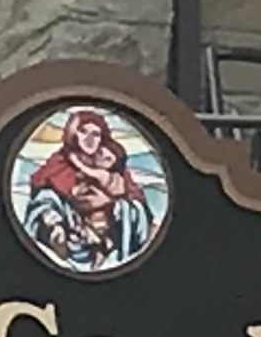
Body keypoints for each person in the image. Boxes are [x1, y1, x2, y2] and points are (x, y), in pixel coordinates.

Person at [21, 107, 161, 271]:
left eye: (95, 134)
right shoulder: (59, 163)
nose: (89, 139)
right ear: (73, 134)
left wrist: (110, 203)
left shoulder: (112, 165)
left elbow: (135, 200)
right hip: (71, 227)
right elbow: (42, 193)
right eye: (83, 131)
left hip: (111, 230)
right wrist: (56, 223)